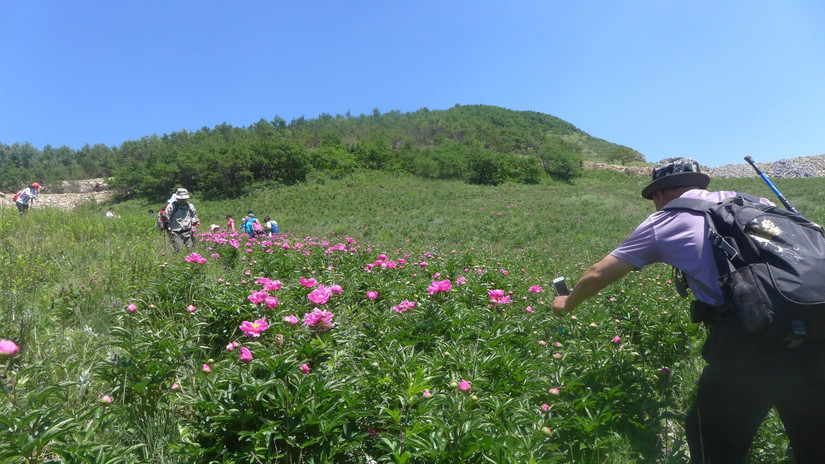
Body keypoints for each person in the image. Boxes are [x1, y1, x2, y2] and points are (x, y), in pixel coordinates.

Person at [552, 157, 825, 463]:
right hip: (815, 333)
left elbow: (597, 273)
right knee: (814, 443)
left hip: (751, 344)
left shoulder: (667, 220)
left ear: (659, 194)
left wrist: (567, 302)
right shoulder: (754, 202)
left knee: (714, 446)